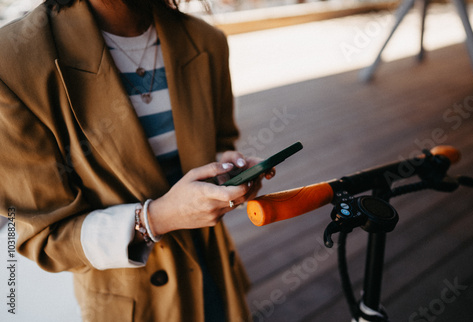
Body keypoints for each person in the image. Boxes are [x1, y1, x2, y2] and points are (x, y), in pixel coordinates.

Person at [0, 0, 274, 320]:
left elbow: (220, 141)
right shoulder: (12, 62)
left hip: (215, 274)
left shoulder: (206, 39)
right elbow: (45, 237)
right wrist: (154, 219)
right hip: (133, 300)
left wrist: (226, 170)